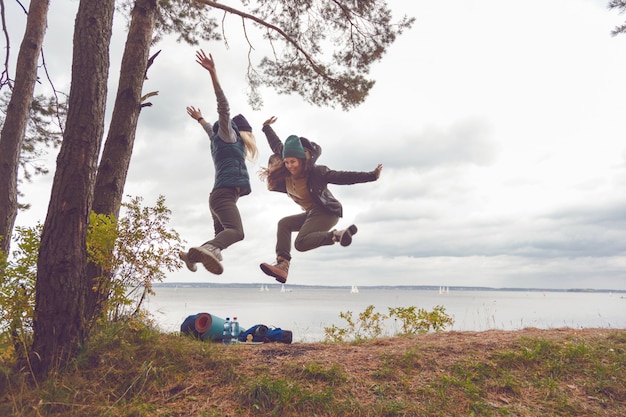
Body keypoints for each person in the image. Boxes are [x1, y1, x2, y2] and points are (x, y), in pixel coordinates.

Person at [258, 116, 383, 283]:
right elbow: (277, 145)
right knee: (284, 224)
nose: (290, 166)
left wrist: (372, 176)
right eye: (286, 162)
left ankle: (337, 235)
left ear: (302, 159)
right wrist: (266, 127)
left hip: (327, 211)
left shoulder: (317, 172)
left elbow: (342, 177)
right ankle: (283, 265)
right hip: (312, 213)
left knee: (301, 243)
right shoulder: (285, 171)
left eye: (293, 162)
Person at [179, 49, 258, 275]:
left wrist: (199, 119)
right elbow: (224, 107)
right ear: (243, 132)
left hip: (217, 197)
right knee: (236, 232)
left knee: (220, 239)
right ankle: (205, 249)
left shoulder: (217, 139)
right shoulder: (229, 134)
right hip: (223, 195)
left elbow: (207, 129)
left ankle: (192, 256)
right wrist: (213, 73)